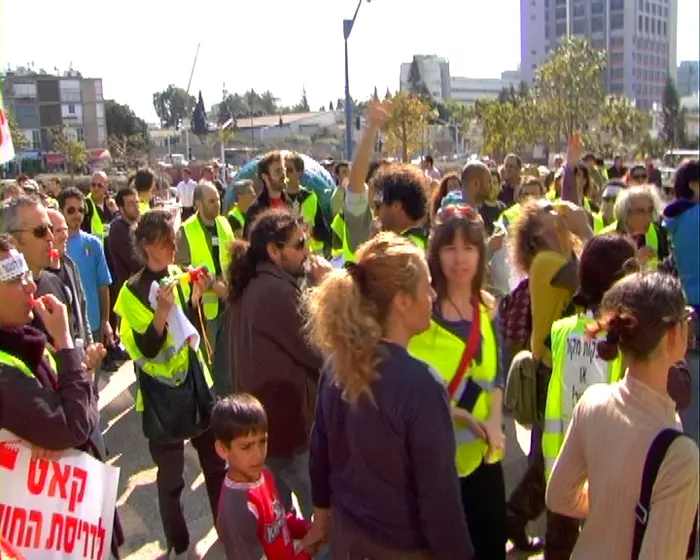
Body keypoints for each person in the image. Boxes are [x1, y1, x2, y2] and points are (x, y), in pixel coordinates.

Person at [304, 232, 474, 559]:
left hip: (347, 540)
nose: (434, 295)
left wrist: (321, 517)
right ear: (402, 300)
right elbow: (439, 501)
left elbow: (320, 452)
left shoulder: (337, 365)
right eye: (427, 287)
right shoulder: (422, 385)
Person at [546, 272, 699, 559]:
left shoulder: (593, 402)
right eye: (686, 318)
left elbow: (559, 496)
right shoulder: (681, 457)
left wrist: (611, 502)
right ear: (674, 334)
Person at [0, 234, 123, 558]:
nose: (30, 287)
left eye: (27, 274)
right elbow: (74, 425)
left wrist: (71, 398)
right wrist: (66, 343)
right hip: (44, 536)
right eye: (14, 278)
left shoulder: (27, 343)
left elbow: (82, 412)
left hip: (71, 520)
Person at [113, 210, 226, 559]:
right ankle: (179, 543)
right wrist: (161, 313)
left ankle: (227, 527)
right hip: (160, 397)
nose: (173, 247)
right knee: (172, 478)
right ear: (147, 245)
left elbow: (190, 329)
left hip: (195, 385)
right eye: (166, 241)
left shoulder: (177, 275)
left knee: (215, 464)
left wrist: (195, 297)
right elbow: (146, 348)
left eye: (173, 238)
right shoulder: (131, 293)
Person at [408, 203, 507, 559]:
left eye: (469, 247)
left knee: (491, 544)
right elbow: (405, 389)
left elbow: (495, 373)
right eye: (450, 247)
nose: (460, 258)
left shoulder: (487, 307)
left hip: (483, 460)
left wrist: (495, 420)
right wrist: (452, 415)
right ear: (436, 252)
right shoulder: (420, 313)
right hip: (434, 467)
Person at [541, 233, 636, 558]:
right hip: (609, 469)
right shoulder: (628, 340)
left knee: (560, 546)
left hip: (561, 461)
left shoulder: (562, 330)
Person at [227, 208, 326, 521]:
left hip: (269, 428)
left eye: (306, 242)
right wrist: (325, 289)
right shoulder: (276, 291)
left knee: (277, 528)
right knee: (324, 524)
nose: (307, 252)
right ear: (274, 251)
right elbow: (320, 353)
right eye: (298, 245)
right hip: (290, 434)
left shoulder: (253, 283)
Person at [211, 394, 312, 559]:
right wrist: (306, 554)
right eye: (246, 447)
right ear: (223, 449)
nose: (258, 454)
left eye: (262, 441)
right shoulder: (238, 511)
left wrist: (306, 528)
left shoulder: (263, 473)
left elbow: (277, 518)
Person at [176, 181, 233, 397]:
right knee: (206, 361)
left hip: (227, 303)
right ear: (198, 204)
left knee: (226, 362)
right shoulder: (186, 230)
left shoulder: (224, 224)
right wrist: (209, 284)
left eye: (218, 198)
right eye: (212, 200)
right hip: (203, 310)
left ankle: (226, 402)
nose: (217, 203)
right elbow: (181, 268)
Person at [58, 188, 114, 384]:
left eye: (81, 210)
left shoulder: (94, 244)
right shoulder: (54, 246)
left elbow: (103, 286)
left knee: (92, 387)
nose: (77, 215)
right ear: (61, 211)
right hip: (64, 330)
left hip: (93, 326)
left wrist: (106, 321)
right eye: (71, 210)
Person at [599, 185, 669, 271]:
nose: (648, 217)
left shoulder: (658, 233)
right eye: (641, 211)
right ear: (625, 213)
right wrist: (635, 262)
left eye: (650, 210)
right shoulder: (606, 238)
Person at [82, 171, 115, 245]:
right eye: (93, 185)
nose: (96, 188)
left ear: (106, 186)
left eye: (100, 185)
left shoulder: (111, 205)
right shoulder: (85, 205)